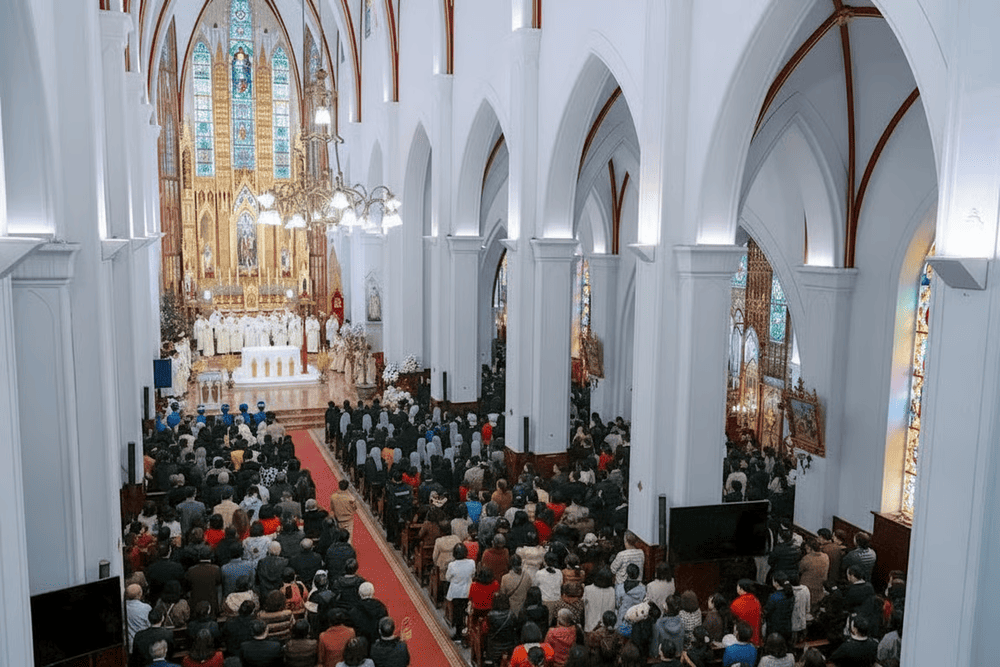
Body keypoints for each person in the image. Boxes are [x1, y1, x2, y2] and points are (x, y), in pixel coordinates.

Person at [446, 542, 476, 641]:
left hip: (456, 593)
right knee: (466, 612)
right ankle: (466, 630)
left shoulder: (452, 565)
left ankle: (459, 634)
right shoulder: (471, 563)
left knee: (458, 613)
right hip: (467, 591)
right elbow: (473, 574)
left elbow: (448, 578)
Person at [798, 538, 829, 613]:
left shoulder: (807, 559)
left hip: (807, 588)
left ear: (809, 548)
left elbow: (800, 570)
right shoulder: (825, 557)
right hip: (819, 588)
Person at [583, 567, 617, 632]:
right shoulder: (612, 591)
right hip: (607, 628)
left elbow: (584, 604)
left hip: (590, 626)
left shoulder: (588, 589)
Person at [764, 571, 795, 643]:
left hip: (774, 627)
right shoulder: (790, 594)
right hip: (787, 627)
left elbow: (768, 611)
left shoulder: (773, 597)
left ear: (776, 583)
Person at [730, 579, 762, 645]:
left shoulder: (737, 603)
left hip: (742, 639)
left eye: (737, 587)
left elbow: (731, 616)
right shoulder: (756, 601)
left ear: (741, 588)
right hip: (755, 638)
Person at [125, 583, 152, 653]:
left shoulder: (123, 607)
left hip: (130, 644)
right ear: (140, 594)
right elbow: (150, 625)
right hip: (145, 643)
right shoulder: (146, 608)